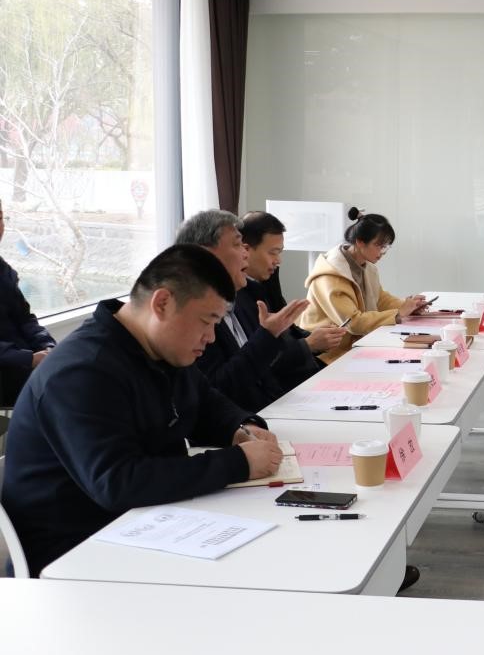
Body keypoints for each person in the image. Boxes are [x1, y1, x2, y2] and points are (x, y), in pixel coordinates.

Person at [1, 244, 284, 578]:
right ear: (162, 303)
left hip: (147, 525)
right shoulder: (82, 371)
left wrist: (240, 428)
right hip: (73, 556)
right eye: (206, 321)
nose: (210, 337)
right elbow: (117, 483)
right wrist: (238, 463)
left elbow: (204, 401)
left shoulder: (160, 349)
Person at [175, 210, 309, 413]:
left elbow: (265, 377)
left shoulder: (245, 296)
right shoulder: (189, 314)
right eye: (238, 245)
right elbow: (218, 389)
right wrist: (268, 336)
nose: (246, 254)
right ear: (205, 255)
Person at [299, 208, 429, 364]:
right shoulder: (330, 276)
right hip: (327, 354)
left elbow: (380, 299)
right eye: (379, 245)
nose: (383, 252)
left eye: (386, 246)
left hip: (355, 344)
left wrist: (408, 306)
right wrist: (399, 313)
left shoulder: (367, 267)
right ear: (360, 242)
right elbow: (353, 323)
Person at [239, 211, 345, 389]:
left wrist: (316, 338)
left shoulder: (266, 281)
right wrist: (308, 345)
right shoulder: (236, 295)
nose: (278, 260)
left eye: (280, 252)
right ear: (246, 250)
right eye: (273, 253)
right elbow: (260, 359)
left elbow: (289, 331)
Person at [0, 198, 56, 404]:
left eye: (0, 217)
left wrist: (48, 346)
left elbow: (25, 318)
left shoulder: (4, 271)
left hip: (24, 370)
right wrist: (29, 359)